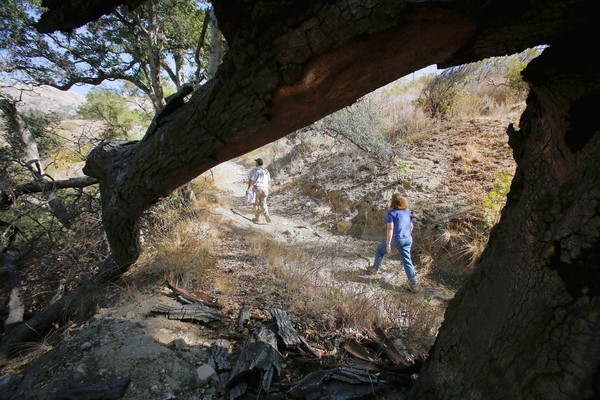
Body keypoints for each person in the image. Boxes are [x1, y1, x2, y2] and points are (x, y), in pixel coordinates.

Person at [371, 194, 417, 292]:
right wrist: (406, 235)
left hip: (397, 239)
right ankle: (413, 285)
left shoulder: (391, 213)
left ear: (392, 202)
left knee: (380, 250)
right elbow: (411, 226)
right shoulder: (407, 212)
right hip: (408, 238)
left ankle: (375, 270)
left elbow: (390, 228)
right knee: (407, 262)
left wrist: (388, 243)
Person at [246, 158, 271, 223]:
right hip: (265, 188)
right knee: (263, 203)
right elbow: (268, 181)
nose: (255, 163)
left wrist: (249, 189)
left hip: (257, 188)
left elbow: (251, 180)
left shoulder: (255, 170)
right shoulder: (266, 171)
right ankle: (267, 216)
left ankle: (257, 219)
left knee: (255, 204)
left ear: (257, 163)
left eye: (256, 162)